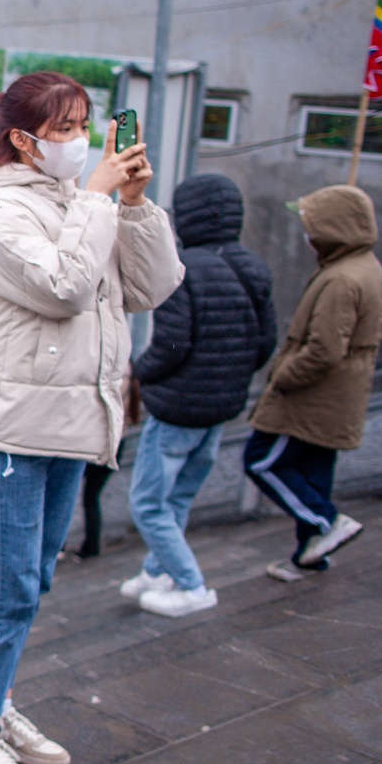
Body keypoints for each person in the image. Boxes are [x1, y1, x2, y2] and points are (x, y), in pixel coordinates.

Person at [0, 73, 182, 764]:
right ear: (23, 140)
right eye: (66, 128)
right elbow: (66, 288)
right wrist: (97, 201)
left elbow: (151, 288)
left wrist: (133, 205)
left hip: (75, 418)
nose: (82, 140)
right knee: (10, 586)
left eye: (85, 125)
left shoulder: (80, 202)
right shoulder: (1, 210)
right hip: (15, 425)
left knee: (35, 580)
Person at [122, 173, 276, 617]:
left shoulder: (181, 268)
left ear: (187, 216)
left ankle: (191, 586)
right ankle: (157, 571)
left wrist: (136, 375)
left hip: (179, 410)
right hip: (221, 409)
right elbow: (265, 343)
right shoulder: (254, 266)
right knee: (179, 499)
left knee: (148, 504)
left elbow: (171, 346)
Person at [245, 184, 382, 584]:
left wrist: (282, 377)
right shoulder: (364, 267)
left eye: (311, 224)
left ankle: (326, 523)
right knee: (313, 472)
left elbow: (324, 350)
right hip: (338, 397)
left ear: (333, 228)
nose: (307, 234)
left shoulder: (341, 278)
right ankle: (310, 556)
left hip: (312, 397)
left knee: (261, 460)